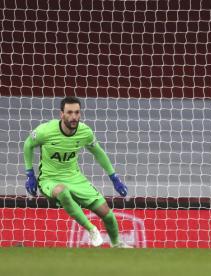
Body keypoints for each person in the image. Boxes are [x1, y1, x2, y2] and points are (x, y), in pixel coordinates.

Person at [23, 96, 131, 248]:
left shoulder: (85, 132)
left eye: (77, 112)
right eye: (69, 113)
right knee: (62, 191)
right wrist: (30, 174)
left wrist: (114, 178)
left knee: (107, 214)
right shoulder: (45, 131)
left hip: (75, 178)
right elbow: (27, 145)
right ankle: (91, 229)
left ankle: (117, 244)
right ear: (62, 114)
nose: (74, 117)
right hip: (49, 179)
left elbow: (98, 153)